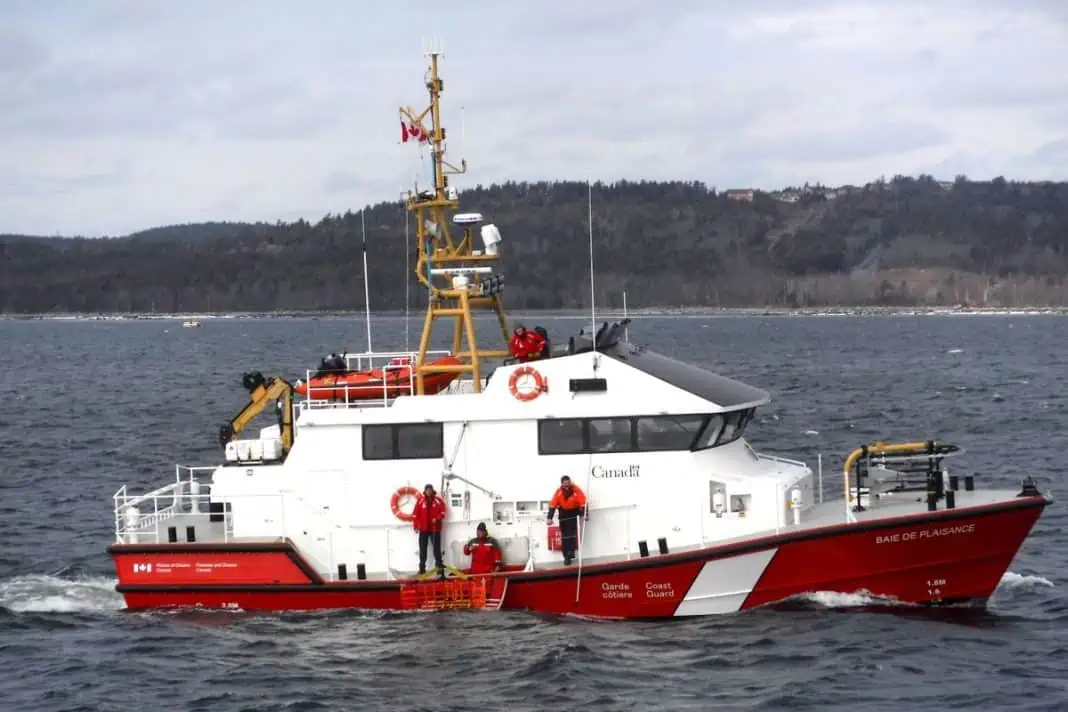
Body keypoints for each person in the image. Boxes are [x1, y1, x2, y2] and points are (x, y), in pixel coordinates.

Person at [546, 475, 587, 565]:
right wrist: (549, 518)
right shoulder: (559, 492)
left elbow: (583, 502)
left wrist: (585, 514)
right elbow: (553, 505)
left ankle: (571, 552)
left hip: (573, 514)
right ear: (562, 484)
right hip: (563, 515)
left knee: (572, 534)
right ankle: (566, 556)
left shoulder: (576, 490)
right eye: (565, 485)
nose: (567, 486)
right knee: (565, 536)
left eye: (568, 484)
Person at [411, 483, 447, 578]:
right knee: (423, 549)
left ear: (432, 490)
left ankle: (439, 568)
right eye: (427, 490)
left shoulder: (438, 500)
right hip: (423, 529)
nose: (429, 491)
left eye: (430, 490)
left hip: (435, 529)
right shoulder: (420, 501)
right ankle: (422, 569)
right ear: (425, 491)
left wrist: (437, 518)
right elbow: (415, 514)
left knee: (437, 550)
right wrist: (415, 525)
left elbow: (443, 512)